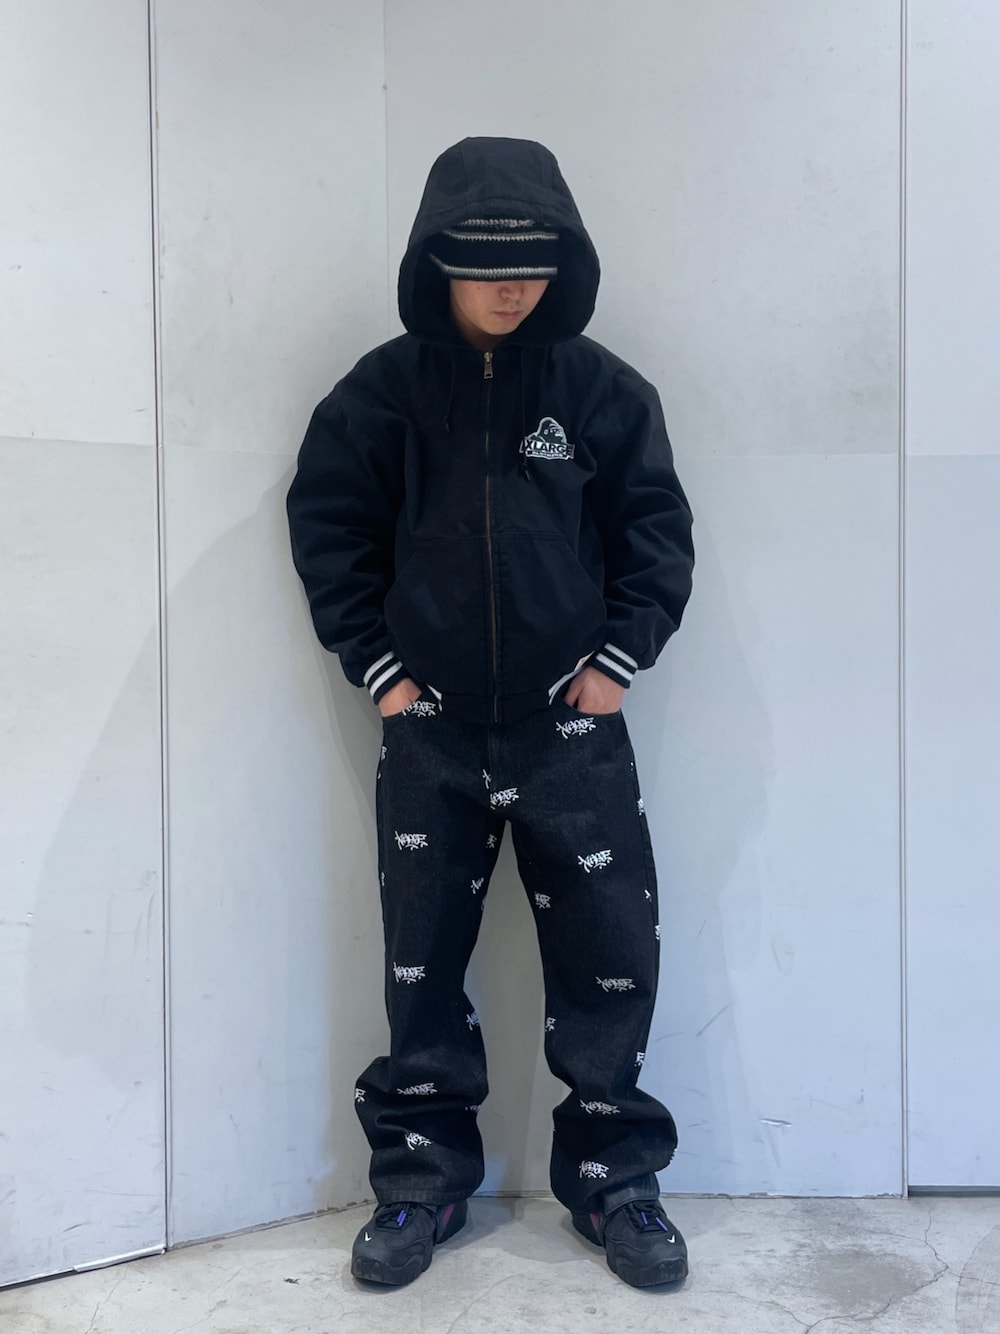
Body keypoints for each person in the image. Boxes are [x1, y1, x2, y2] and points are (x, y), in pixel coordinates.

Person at [286, 136, 695, 1290]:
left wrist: (616, 659)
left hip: (572, 725)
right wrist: (383, 671)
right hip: (431, 729)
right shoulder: (381, 394)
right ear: (437, 264)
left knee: (611, 952)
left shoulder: (602, 391)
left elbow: (656, 528)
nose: (511, 287)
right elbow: (328, 526)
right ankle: (418, 1181)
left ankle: (615, 1178)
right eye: (483, 264)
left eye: (531, 263)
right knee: (420, 963)